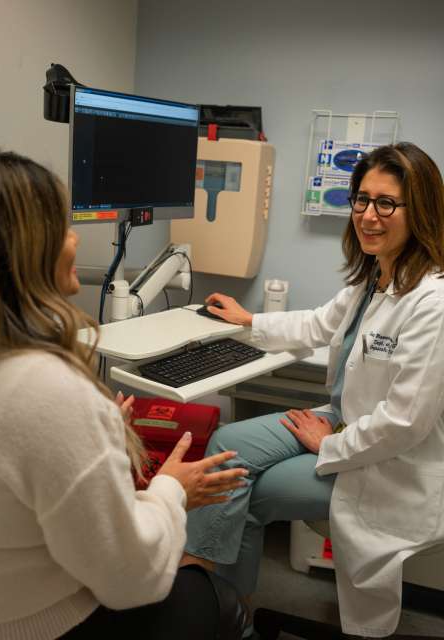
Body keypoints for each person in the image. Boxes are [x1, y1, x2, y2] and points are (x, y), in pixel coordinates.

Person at [0, 146, 249, 640]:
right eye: (62, 227)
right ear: (25, 250)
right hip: (47, 625)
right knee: (209, 594)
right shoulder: (48, 392)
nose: (75, 239)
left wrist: (94, 444)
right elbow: (132, 582)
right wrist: (171, 492)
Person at [182, 142, 444, 638]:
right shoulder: (374, 279)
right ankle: (205, 590)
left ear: (421, 211)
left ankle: (227, 619)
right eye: (361, 199)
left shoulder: (433, 301)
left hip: (387, 462)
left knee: (251, 491)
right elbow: (317, 325)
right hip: (343, 420)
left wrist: (329, 444)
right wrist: (249, 321)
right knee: (225, 448)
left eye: (386, 203)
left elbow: (406, 423)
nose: (368, 215)